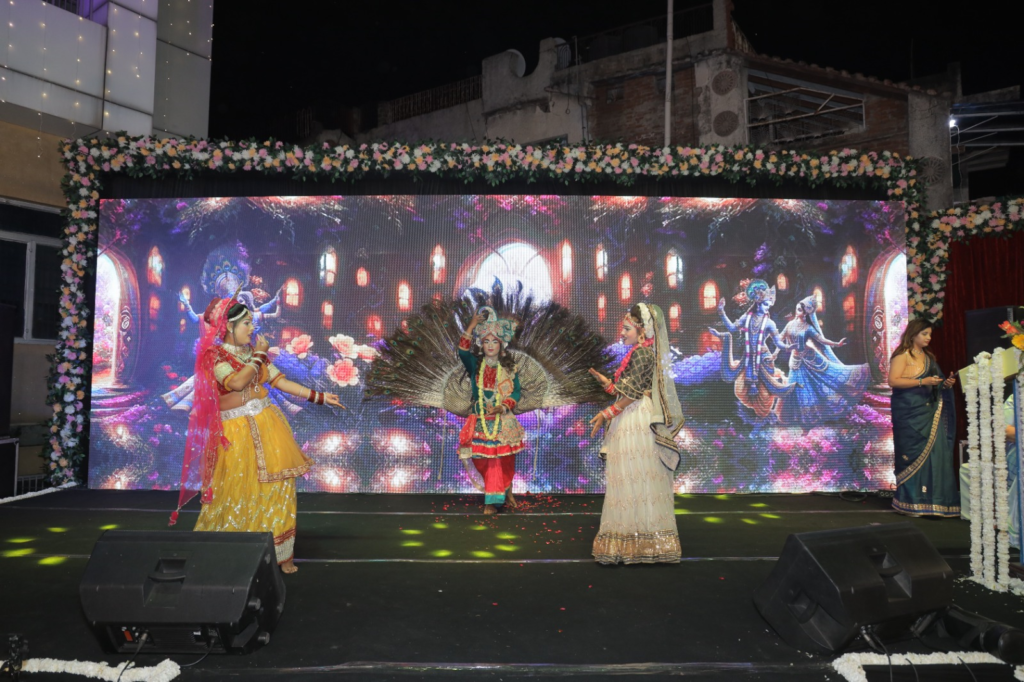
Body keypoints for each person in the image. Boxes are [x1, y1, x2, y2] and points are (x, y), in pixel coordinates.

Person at [170, 294, 343, 573]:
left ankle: (281, 555)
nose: (252, 328)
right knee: (237, 489)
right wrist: (260, 354)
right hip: (234, 432)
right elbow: (237, 383)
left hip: (267, 425)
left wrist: (319, 396)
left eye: (252, 322)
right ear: (229, 326)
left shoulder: (252, 351)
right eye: (247, 323)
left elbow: (280, 381)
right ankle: (234, 553)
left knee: (278, 487)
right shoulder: (214, 356)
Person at [588, 303, 684, 564]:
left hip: (636, 420)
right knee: (632, 478)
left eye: (627, 328)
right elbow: (627, 390)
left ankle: (635, 541)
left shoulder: (642, 354)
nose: (622, 332)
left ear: (642, 332)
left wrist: (606, 413)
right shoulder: (639, 352)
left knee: (632, 477)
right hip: (632, 416)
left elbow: (631, 396)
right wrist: (605, 383)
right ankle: (641, 541)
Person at [457, 306, 526, 515]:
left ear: (501, 344)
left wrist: (504, 406)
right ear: (481, 344)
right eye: (486, 341)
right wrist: (471, 326)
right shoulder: (475, 365)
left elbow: (516, 392)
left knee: (501, 460)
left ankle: (493, 501)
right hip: (480, 420)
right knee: (481, 460)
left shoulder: (509, 368)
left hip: (502, 421)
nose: (490, 345)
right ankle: (503, 491)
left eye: (494, 341)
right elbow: (462, 352)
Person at [887, 319, 958, 517]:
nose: (929, 338)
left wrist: (945, 384)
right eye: (924, 334)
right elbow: (893, 381)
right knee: (911, 454)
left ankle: (935, 502)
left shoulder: (928, 358)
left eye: (930, 334)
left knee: (935, 455)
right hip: (909, 413)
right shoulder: (902, 355)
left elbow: (935, 384)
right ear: (913, 334)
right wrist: (922, 381)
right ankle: (910, 502)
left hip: (928, 412)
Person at [778, 295, 870, 425]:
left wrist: (836, 344)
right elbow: (780, 338)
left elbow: (821, 340)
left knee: (817, 384)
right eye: (797, 308)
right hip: (795, 360)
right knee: (795, 387)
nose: (797, 310)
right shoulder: (790, 324)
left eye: (800, 309)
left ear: (806, 313)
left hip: (810, 358)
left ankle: (813, 419)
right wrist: (777, 352)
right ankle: (799, 418)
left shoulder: (808, 328)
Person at [709, 279, 793, 420]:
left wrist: (789, 347)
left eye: (769, 305)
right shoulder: (746, 318)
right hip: (748, 359)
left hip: (763, 359)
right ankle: (755, 418)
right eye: (766, 304)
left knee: (764, 394)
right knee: (740, 390)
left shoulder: (770, 323)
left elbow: (778, 342)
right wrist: (721, 312)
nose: (767, 308)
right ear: (758, 302)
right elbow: (732, 329)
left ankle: (764, 417)